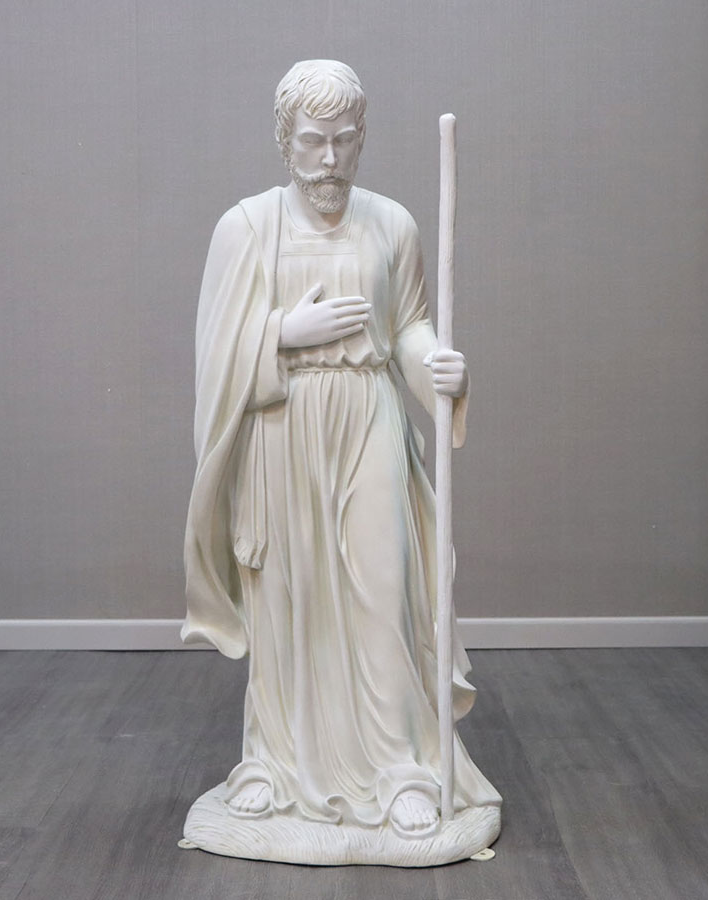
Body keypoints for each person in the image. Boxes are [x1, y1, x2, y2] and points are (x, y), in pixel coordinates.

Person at [183, 59, 500, 840]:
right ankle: (274, 762)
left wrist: (439, 370)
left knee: (384, 591)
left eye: (344, 141)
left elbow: (409, 327)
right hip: (281, 431)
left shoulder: (392, 225)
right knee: (287, 600)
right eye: (313, 141)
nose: (329, 160)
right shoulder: (246, 228)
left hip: (368, 419)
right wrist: (282, 334)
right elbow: (214, 353)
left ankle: (400, 770)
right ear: (285, 140)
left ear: (362, 141)